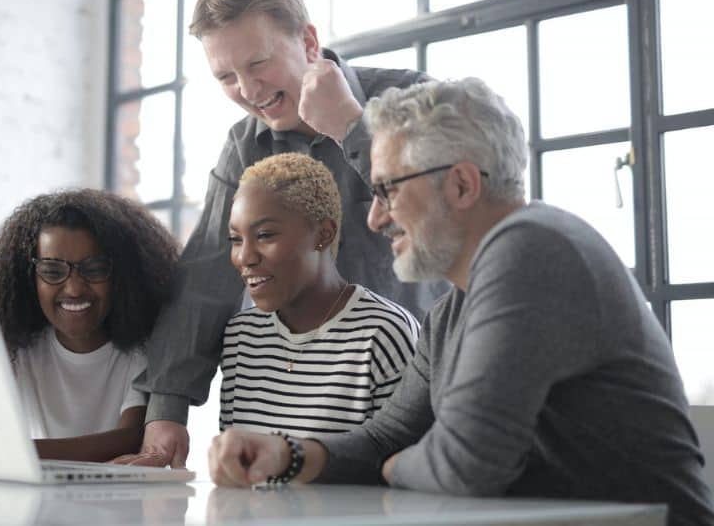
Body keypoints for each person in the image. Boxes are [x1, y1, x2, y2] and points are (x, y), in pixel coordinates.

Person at [208, 78, 714, 526]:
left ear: (462, 184)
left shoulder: (533, 249)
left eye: (387, 190)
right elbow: (386, 437)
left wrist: (395, 466)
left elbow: (464, 465)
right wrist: (288, 454)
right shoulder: (451, 310)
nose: (376, 218)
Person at [125, 0, 447, 467]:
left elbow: (444, 214)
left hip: (418, 401)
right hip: (299, 410)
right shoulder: (242, 145)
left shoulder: (412, 100)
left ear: (309, 40)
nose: (247, 88)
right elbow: (205, 280)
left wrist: (350, 126)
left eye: (258, 63)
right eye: (225, 76)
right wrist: (167, 409)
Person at [0, 189, 180, 463]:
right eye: (52, 271)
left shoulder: (140, 350)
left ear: (121, 275)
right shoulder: (14, 348)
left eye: (94, 269)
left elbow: (129, 439)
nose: (74, 288)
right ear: (29, 279)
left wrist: (10, 453)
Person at [220, 153, 419, 435]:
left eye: (265, 235)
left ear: (324, 234)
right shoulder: (241, 336)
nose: (245, 257)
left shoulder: (384, 334)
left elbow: (404, 466)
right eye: (236, 240)